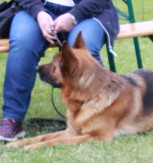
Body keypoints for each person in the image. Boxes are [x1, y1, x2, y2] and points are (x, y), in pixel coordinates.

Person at [0, 0, 119, 142]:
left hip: (89, 12)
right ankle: (12, 118)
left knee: (84, 47)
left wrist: (74, 16)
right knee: (23, 43)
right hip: (37, 9)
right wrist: (38, 12)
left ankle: (101, 115)